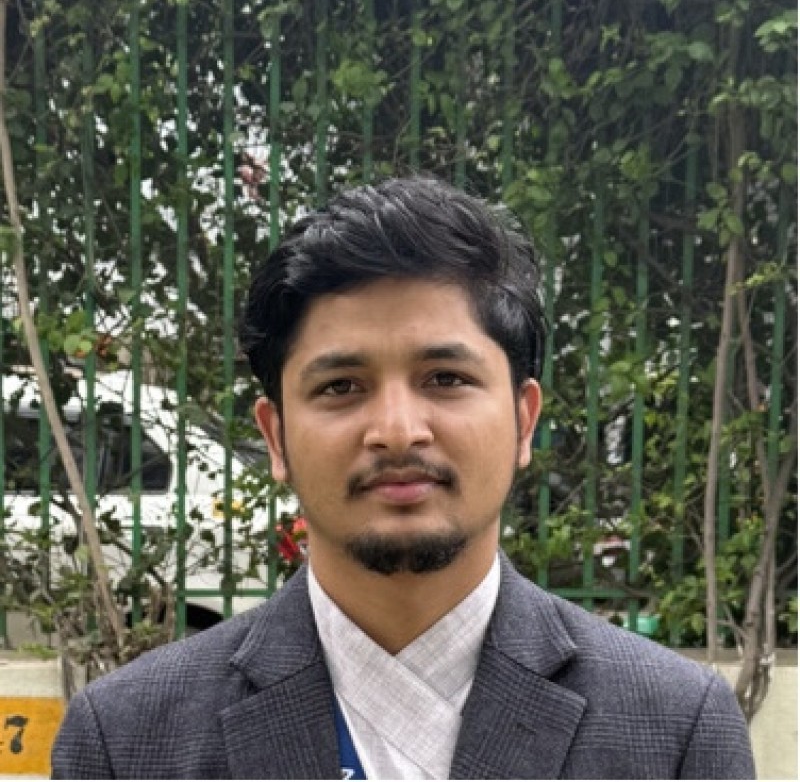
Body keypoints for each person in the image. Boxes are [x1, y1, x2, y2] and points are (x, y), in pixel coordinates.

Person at [51, 176, 755, 780]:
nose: (396, 430)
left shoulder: (674, 729)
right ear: (275, 436)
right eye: (341, 386)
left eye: (445, 378)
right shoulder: (128, 740)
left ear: (523, 421)